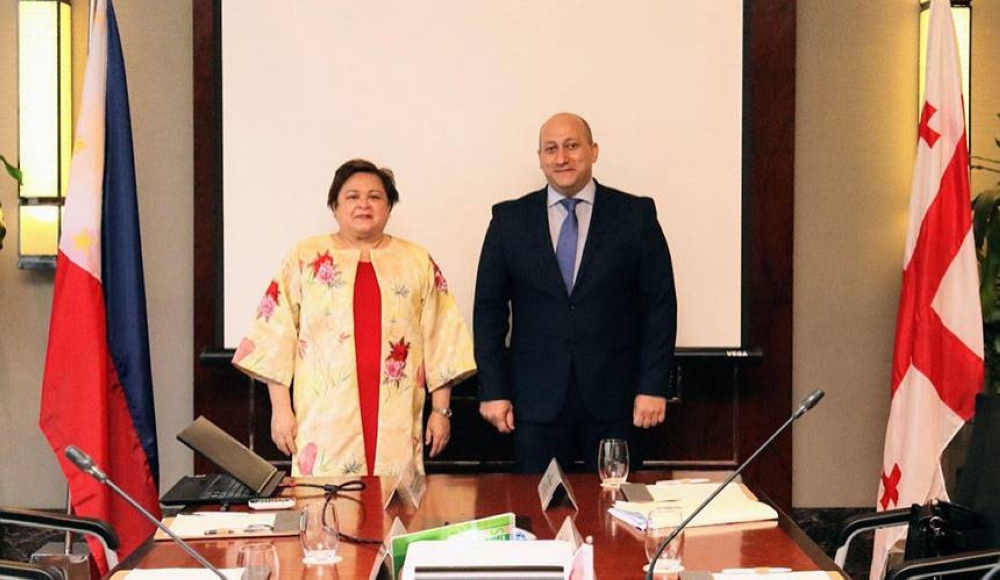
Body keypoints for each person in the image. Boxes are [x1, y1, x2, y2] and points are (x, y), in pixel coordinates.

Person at [233, 159, 476, 477]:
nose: (364, 204)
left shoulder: (416, 260)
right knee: (325, 508)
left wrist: (441, 411)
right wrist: (281, 410)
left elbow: (443, 338)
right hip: (324, 416)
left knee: (394, 507)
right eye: (352, 196)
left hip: (397, 413)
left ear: (389, 207)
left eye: (375, 196)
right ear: (334, 205)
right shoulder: (305, 256)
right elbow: (275, 336)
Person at [474, 113, 677, 472]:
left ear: (594, 150)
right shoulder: (509, 220)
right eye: (551, 149)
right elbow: (488, 311)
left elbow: (660, 307)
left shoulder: (635, 216)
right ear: (540, 158)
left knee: (617, 514)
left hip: (618, 402)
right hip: (534, 406)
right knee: (538, 516)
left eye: (572, 146)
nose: (561, 157)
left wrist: (653, 386)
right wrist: (493, 389)